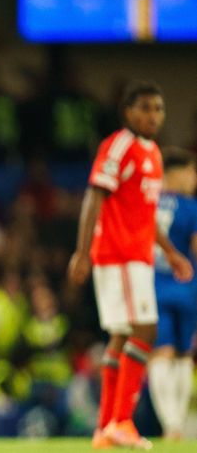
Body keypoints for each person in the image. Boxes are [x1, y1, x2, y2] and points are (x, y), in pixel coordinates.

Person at [67, 80, 193, 450]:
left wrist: (170, 252)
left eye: (159, 109)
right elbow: (94, 194)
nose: (153, 116)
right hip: (120, 254)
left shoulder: (152, 153)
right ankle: (122, 421)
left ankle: (106, 427)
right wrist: (82, 251)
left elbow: (146, 213)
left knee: (122, 336)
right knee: (145, 331)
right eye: (145, 108)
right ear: (128, 112)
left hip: (137, 255)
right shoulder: (119, 145)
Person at [147, 147, 197, 441]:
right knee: (183, 354)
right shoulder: (190, 207)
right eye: (191, 173)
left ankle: (170, 425)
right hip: (186, 287)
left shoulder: (148, 203)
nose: (194, 179)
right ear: (174, 174)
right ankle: (176, 420)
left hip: (151, 286)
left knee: (160, 354)